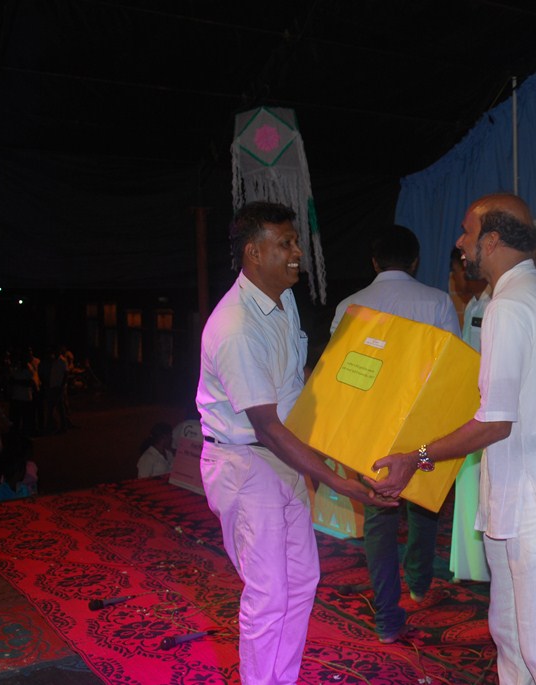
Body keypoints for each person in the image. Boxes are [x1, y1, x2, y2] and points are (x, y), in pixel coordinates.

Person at [369, 194, 536, 685]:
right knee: (511, 637)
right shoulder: (527, 295)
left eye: (467, 232)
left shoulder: (512, 305)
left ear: (491, 241)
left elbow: (496, 422)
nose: (459, 242)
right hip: (522, 494)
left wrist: (418, 456)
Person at [196, 200, 392, 685]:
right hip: (246, 463)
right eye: (285, 243)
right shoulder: (237, 326)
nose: (297, 252)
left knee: (302, 580)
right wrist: (337, 481)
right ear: (253, 253)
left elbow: (294, 386)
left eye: (296, 241)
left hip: (280, 456)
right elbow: (266, 426)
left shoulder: (282, 303)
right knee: (268, 594)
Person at [329, 224, 460, 643]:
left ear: (374, 262)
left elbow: (339, 377)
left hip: (370, 433)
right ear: (415, 261)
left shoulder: (349, 306)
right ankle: (419, 581)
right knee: (424, 506)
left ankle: (387, 616)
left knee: (379, 519)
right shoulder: (438, 302)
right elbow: (450, 373)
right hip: (421, 433)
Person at [448, 247, 492, 583]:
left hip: (488, 415)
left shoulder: (493, 305)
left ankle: (484, 568)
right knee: (468, 490)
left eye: (457, 270)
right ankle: (470, 568)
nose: (455, 278)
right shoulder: (474, 305)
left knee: (483, 491)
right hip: (467, 409)